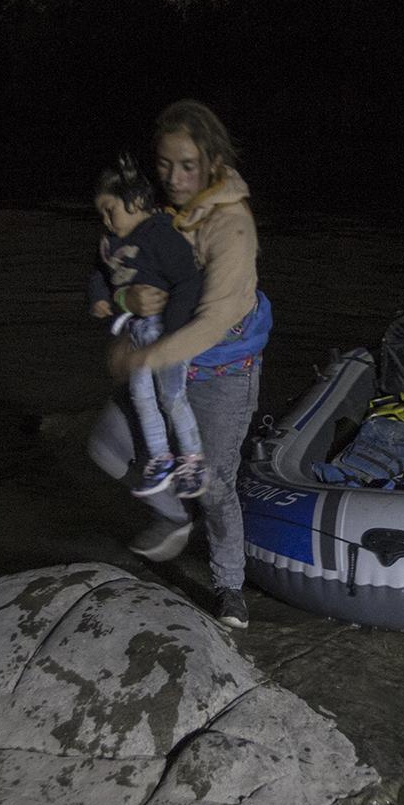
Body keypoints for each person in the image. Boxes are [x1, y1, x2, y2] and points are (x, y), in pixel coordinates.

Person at [86, 100, 271, 630]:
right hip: (165, 365)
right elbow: (110, 269)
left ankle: (230, 586)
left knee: (215, 484)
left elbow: (212, 321)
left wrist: (141, 354)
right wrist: (125, 303)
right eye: (164, 165)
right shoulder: (160, 217)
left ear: (212, 160)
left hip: (220, 375)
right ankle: (172, 517)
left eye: (187, 165)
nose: (173, 177)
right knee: (105, 444)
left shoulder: (232, 228)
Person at [86, 154, 208, 500]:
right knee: (141, 397)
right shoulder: (111, 243)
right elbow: (99, 272)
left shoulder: (160, 235)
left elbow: (187, 281)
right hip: (137, 333)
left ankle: (193, 461)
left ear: (137, 202)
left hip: (164, 333)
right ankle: (160, 458)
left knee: (172, 397)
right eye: (102, 214)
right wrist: (98, 297)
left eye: (111, 210)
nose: (107, 220)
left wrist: (173, 333)